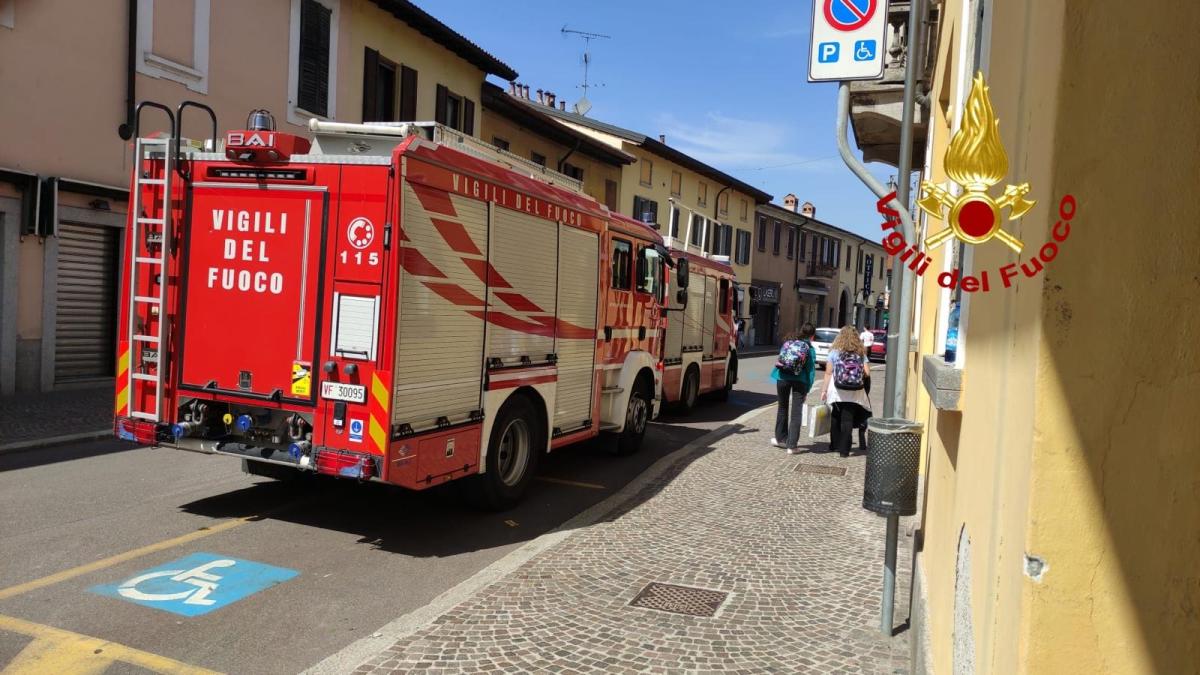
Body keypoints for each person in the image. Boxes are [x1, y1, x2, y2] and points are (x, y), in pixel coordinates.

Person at [819, 326, 872, 457]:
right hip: (854, 391)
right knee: (847, 419)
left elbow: (828, 373)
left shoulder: (834, 352)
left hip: (837, 390)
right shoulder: (860, 353)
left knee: (836, 416)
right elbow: (867, 372)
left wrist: (824, 390)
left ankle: (834, 445)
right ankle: (844, 450)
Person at [771, 323, 817, 454]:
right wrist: (807, 389)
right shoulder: (809, 348)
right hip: (800, 381)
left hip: (782, 378)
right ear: (812, 335)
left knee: (782, 408)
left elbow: (781, 359)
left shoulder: (789, 342)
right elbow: (811, 371)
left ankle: (780, 439)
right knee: (796, 412)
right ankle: (792, 446)